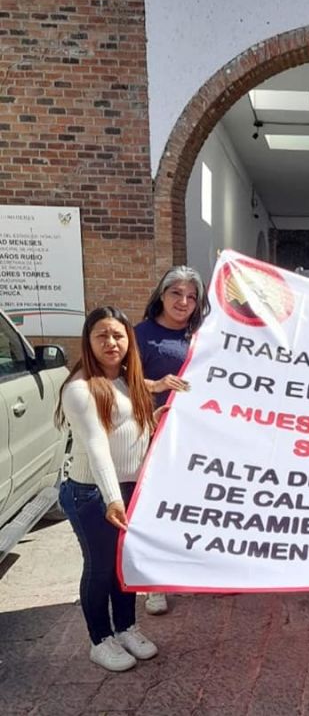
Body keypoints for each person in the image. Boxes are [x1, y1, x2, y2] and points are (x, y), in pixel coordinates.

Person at [56, 306, 160, 672]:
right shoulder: (79, 388)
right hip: (92, 494)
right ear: (88, 341)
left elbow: (136, 428)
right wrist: (113, 498)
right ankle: (100, 639)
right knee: (100, 568)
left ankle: (126, 627)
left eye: (118, 335)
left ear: (129, 340)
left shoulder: (128, 380)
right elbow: (97, 445)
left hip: (128, 491)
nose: (111, 342)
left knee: (123, 566)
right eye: (102, 335)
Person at [134, 265, 209, 615]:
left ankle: (191, 572)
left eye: (191, 296)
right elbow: (119, 382)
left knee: (192, 508)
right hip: (153, 436)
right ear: (161, 295)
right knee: (156, 510)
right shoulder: (139, 335)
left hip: (199, 438)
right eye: (176, 294)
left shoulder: (205, 335)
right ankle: (154, 585)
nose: (183, 302)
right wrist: (156, 387)